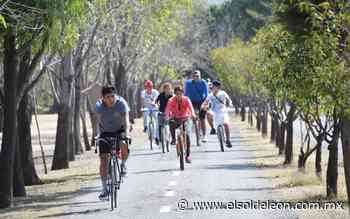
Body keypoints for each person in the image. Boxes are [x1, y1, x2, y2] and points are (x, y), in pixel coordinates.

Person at [95, 86, 130, 199]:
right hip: (105, 132)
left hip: (119, 130)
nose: (111, 99)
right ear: (103, 98)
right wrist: (97, 135)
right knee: (104, 160)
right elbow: (98, 123)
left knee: (124, 144)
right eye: (108, 97)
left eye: (112, 96)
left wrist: (126, 133)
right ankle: (104, 188)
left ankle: (123, 164)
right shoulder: (99, 106)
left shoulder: (121, 104)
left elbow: (126, 121)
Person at [165, 86, 196, 163]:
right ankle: (173, 139)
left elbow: (191, 108)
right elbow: (167, 109)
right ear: (175, 94)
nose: (179, 95)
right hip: (176, 118)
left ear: (183, 93)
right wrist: (167, 116)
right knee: (171, 122)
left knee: (187, 136)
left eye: (180, 93)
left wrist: (193, 114)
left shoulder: (186, 99)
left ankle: (188, 156)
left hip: (186, 118)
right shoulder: (171, 100)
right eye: (177, 94)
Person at [184, 70, 214, 142]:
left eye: (197, 76)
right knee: (191, 116)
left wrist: (205, 103)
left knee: (202, 118)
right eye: (194, 76)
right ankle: (193, 131)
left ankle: (204, 135)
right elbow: (186, 94)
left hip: (202, 101)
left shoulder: (203, 82)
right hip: (192, 101)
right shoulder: (188, 83)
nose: (196, 77)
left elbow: (206, 94)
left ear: (200, 76)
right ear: (192, 77)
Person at [202, 80, 233, 148]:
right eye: (212, 86)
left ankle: (228, 140)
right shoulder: (210, 95)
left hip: (223, 110)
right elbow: (205, 102)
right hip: (214, 111)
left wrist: (230, 104)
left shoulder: (223, 93)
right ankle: (213, 128)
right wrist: (204, 107)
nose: (212, 88)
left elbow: (229, 100)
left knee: (226, 124)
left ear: (218, 87)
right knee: (208, 114)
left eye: (214, 86)